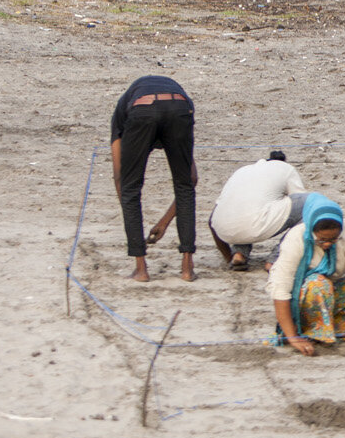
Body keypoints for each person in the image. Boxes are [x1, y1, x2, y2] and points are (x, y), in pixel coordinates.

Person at [268, 193, 345, 356]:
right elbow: (280, 288)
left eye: (333, 240)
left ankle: (342, 332)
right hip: (304, 298)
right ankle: (311, 332)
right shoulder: (296, 237)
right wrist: (292, 337)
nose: (326, 244)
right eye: (321, 240)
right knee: (318, 283)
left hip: (331, 293)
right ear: (312, 230)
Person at [110, 75, 199, 283]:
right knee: (183, 186)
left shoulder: (121, 114)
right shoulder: (126, 109)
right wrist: (164, 222)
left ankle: (141, 269)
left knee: (131, 189)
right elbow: (191, 179)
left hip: (142, 110)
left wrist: (129, 209)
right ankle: (187, 268)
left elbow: (119, 177)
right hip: (180, 105)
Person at [208, 151, 308, 271]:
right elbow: (300, 198)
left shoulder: (243, 170)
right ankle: (276, 259)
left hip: (223, 229)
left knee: (248, 207)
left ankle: (238, 254)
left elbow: (211, 221)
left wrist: (227, 256)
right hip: (254, 223)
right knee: (309, 205)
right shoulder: (286, 168)